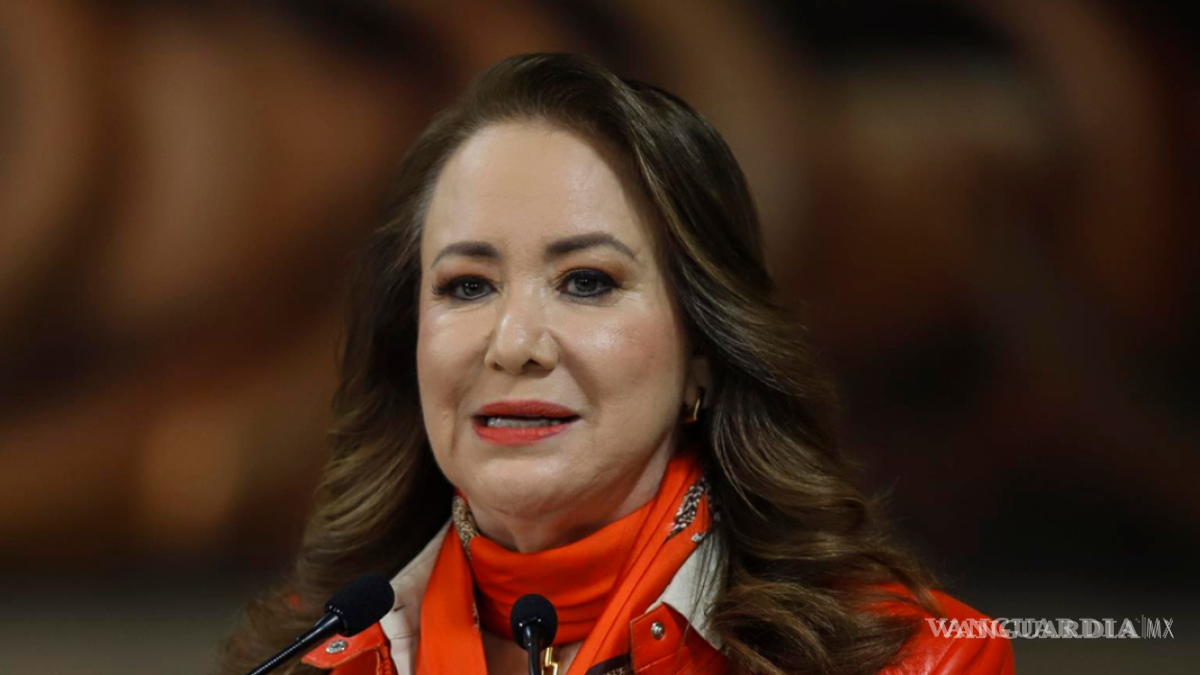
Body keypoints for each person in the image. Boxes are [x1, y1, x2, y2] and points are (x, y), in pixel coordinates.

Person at [221, 53, 1014, 675]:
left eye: (587, 281)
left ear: (704, 352)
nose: (513, 343)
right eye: (467, 285)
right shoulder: (319, 651)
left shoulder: (914, 659)